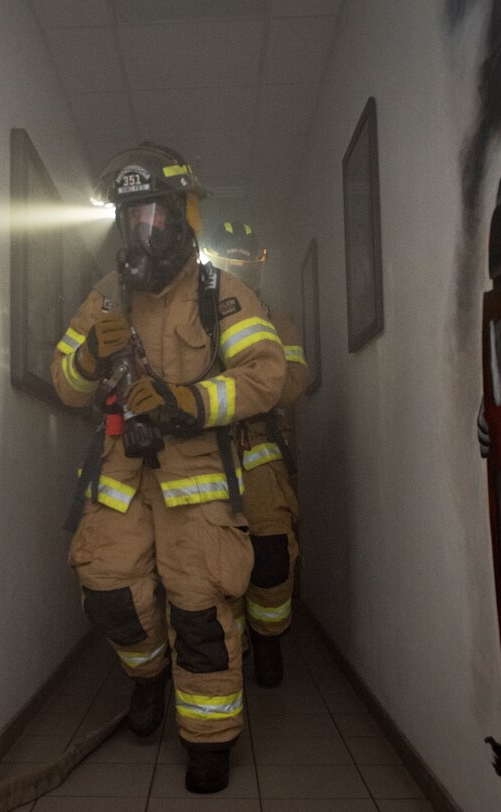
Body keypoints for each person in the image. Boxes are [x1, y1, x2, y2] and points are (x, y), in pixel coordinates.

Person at [51, 144, 285, 794]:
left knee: (200, 609)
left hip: (198, 475)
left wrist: (191, 402)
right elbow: (64, 382)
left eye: (153, 215)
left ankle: (209, 740)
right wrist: (89, 362)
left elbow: (266, 376)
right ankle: (149, 679)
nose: (141, 232)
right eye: (131, 218)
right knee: (104, 587)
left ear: (183, 217)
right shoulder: (105, 297)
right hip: (123, 473)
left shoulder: (218, 295)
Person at [202, 220, 309, 688]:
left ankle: (268, 638)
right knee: (215, 563)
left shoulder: (277, 321)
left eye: (248, 259)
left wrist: (244, 379)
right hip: (203, 461)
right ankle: (236, 646)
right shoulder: (195, 323)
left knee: (270, 557)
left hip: (261, 456)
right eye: (230, 259)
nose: (239, 268)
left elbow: (292, 385)